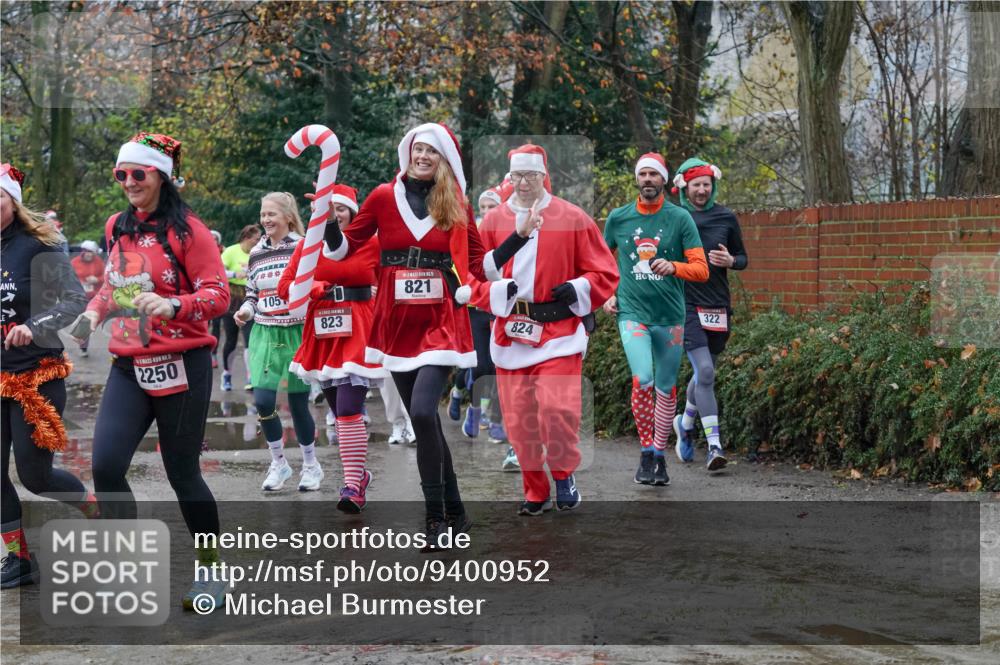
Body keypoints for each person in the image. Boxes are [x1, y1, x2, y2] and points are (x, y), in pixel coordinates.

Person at [74, 132, 230, 610]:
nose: (128, 182)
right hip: (130, 364)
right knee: (105, 466)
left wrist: (172, 304)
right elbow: (115, 286)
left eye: (137, 173)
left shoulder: (190, 233)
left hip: (183, 363)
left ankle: (211, 572)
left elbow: (219, 296)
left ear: (160, 175)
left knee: (182, 473)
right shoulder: (116, 227)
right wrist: (93, 314)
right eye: (121, 173)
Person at [321, 122, 487, 550]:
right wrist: (326, 222)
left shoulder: (454, 201)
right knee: (423, 420)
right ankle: (457, 512)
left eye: (433, 150)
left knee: (423, 410)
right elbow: (345, 248)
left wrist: (494, 273)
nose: (423, 155)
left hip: (441, 318)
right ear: (407, 152)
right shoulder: (381, 197)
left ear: (444, 159)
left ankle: (435, 519)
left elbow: (479, 259)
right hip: (395, 320)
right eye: (418, 148)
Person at [471, 144, 618, 515]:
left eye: (530, 175)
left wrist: (580, 287)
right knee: (520, 421)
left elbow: (604, 271)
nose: (523, 183)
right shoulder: (491, 223)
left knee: (557, 411)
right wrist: (492, 294)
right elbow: (473, 275)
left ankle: (564, 475)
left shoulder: (573, 217)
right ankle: (535, 490)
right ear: (510, 178)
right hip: (510, 333)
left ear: (543, 175)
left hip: (559, 333)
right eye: (516, 176)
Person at [0, 163, 95, 589]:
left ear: (13, 202)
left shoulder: (38, 248)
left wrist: (33, 327)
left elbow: (74, 299)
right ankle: (19, 559)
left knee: (36, 477)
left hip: (35, 377)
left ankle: (100, 511)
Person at [602, 153, 709, 486]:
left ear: (664, 180)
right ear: (637, 179)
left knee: (665, 387)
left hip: (670, 317)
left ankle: (659, 457)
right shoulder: (618, 218)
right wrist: (607, 293)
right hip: (633, 314)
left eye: (653, 174)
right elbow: (599, 263)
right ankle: (645, 449)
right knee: (642, 378)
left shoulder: (680, 219)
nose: (647, 179)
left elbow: (702, 269)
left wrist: (673, 266)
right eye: (642, 174)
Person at [280, 184, 380, 510]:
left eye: (339, 208)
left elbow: (388, 279)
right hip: (322, 333)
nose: (333, 214)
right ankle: (359, 475)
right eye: (327, 208)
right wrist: (313, 287)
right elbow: (286, 288)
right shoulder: (308, 246)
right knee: (339, 412)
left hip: (358, 328)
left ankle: (352, 487)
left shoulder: (369, 242)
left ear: (351, 212)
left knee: (350, 407)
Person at [234, 193, 318, 491]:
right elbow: (252, 295)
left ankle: (310, 466)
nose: (265, 220)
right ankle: (279, 463)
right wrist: (245, 311)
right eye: (263, 214)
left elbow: (315, 285)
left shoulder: (304, 246)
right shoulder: (255, 253)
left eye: (271, 214)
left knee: (298, 404)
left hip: (297, 331)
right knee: (263, 402)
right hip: (265, 333)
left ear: (287, 217)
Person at [671, 158, 748, 471]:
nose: (701, 190)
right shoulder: (676, 218)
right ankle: (714, 445)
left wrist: (731, 260)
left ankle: (685, 424)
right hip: (686, 305)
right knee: (704, 372)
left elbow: (743, 258)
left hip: (718, 306)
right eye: (696, 185)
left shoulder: (725, 216)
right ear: (685, 188)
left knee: (705, 374)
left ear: (712, 186)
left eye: (706, 184)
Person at [220, 224, 261, 391]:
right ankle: (226, 375)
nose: (259, 242)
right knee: (231, 339)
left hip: (250, 298)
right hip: (232, 298)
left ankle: (250, 378)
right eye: (256, 239)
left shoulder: (258, 252)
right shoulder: (231, 251)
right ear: (246, 238)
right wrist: (234, 274)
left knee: (250, 339)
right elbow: (217, 272)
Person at [70, 240, 106, 357]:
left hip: (94, 297)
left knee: (86, 322)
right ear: (83, 252)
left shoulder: (99, 262)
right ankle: (81, 342)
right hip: (78, 297)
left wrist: (97, 279)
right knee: (82, 321)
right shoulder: (74, 262)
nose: (90, 255)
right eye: (88, 252)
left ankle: (83, 347)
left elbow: (106, 277)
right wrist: (79, 283)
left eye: (92, 253)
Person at [209, 229, 224, 368]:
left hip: (219, 293)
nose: (213, 240)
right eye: (211, 238)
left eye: (215, 238)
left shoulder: (223, 253)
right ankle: (205, 353)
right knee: (204, 324)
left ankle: (213, 353)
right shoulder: (201, 251)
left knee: (216, 326)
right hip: (203, 293)